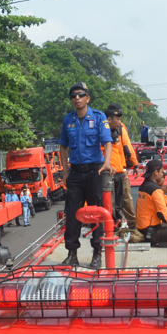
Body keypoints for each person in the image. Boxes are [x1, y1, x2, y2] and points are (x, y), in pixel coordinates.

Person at [58, 82, 113, 268]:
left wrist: (107, 162)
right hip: (75, 173)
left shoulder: (98, 117)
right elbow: (63, 146)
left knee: (97, 214)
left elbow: (107, 142)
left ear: (87, 97)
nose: (77, 98)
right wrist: (65, 171)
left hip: (95, 172)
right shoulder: (68, 120)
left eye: (80, 95)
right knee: (72, 214)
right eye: (73, 96)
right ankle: (72, 254)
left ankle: (97, 254)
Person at [135, 158, 167, 241]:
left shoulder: (145, 186)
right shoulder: (155, 190)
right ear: (156, 172)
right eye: (162, 172)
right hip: (152, 232)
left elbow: (164, 195)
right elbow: (163, 213)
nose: (162, 176)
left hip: (145, 229)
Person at [104, 103, 137, 223]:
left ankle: (129, 223)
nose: (119, 121)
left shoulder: (120, 130)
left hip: (119, 172)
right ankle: (112, 224)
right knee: (111, 201)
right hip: (107, 173)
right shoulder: (101, 132)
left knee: (122, 200)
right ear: (109, 119)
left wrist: (127, 167)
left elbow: (125, 150)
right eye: (117, 118)